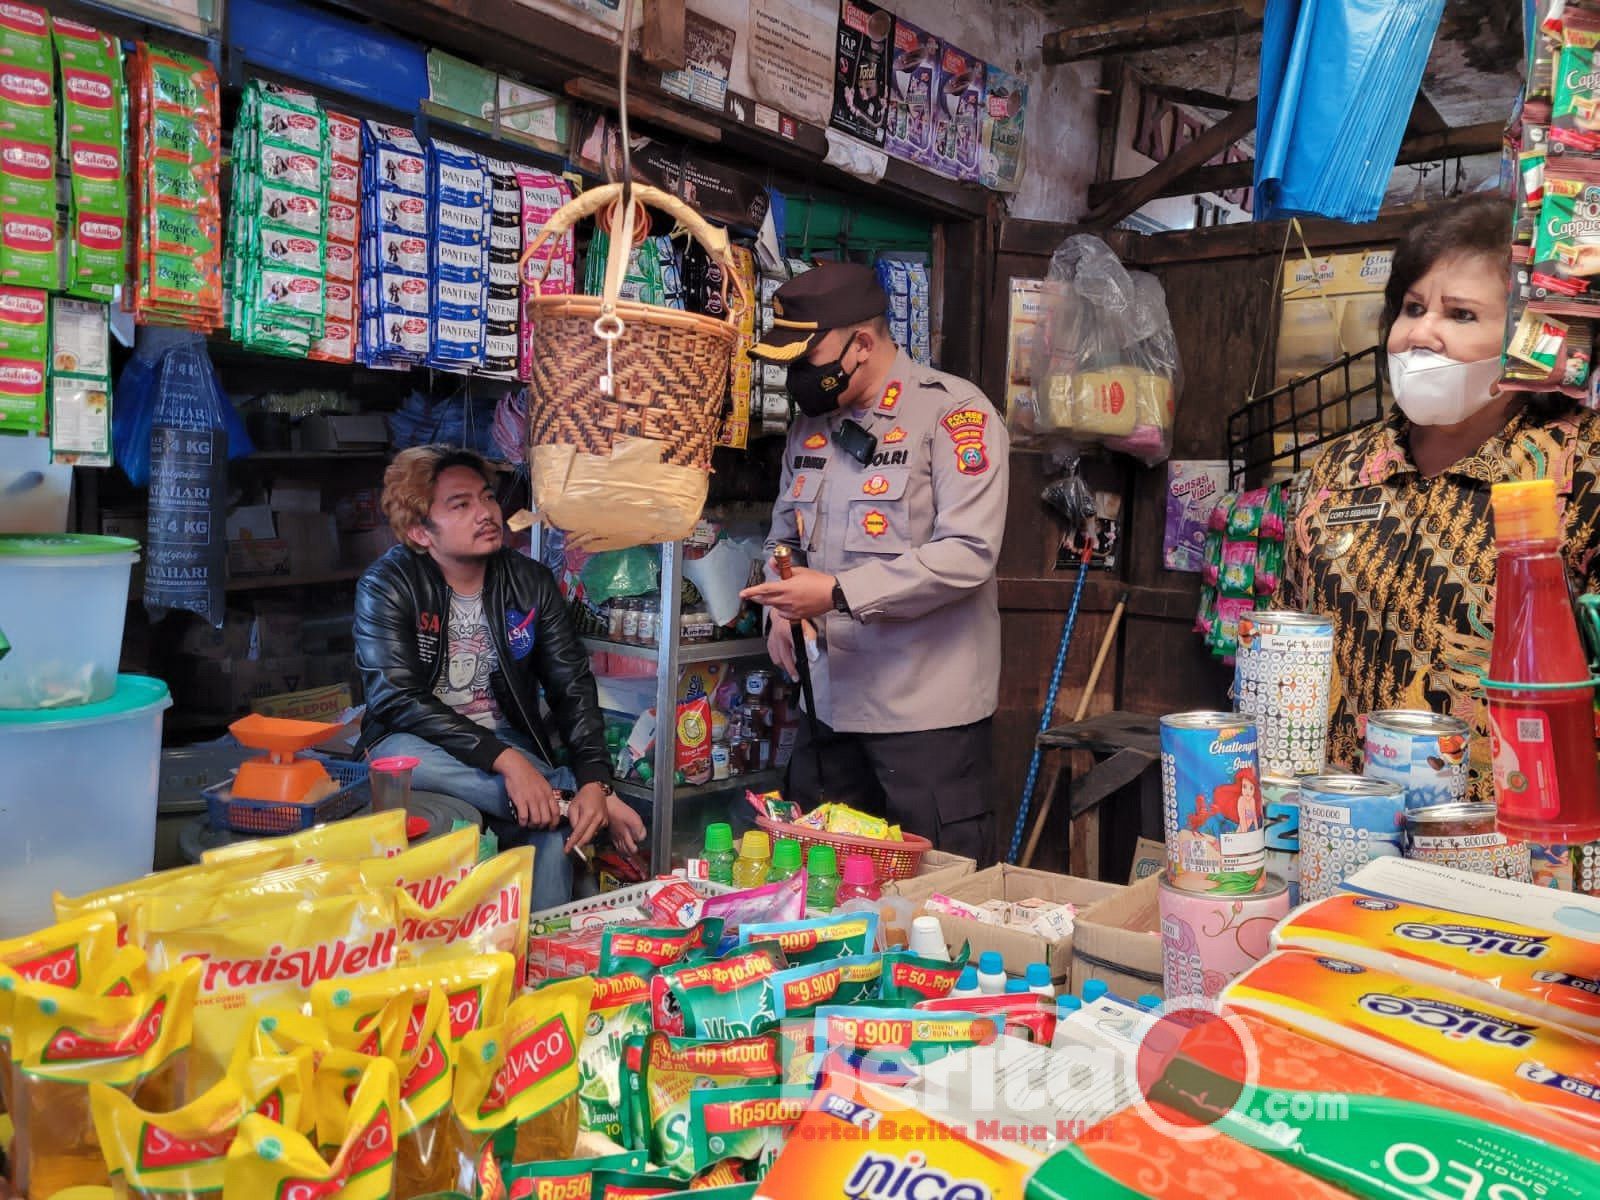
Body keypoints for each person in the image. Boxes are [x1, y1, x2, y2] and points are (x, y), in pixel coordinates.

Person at [1284, 194, 1600, 801]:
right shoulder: (1339, 469)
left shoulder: (1580, 469)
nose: (1421, 334)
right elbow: (1287, 644)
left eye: (1460, 315)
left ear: (1530, 338)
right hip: (1337, 821)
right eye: (1411, 307)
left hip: (1515, 841)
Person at [740, 262, 1009, 862]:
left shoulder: (953, 415)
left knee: (936, 897)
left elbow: (969, 553)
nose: (795, 377)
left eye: (806, 359)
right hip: (828, 708)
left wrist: (835, 592)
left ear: (862, 344)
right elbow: (783, 539)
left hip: (924, 721)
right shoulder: (810, 428)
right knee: (821, 886)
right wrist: (781, 607)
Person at [354, 445, 644, 910]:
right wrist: (510, 763)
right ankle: (562, 795)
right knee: (405, 758)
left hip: (508, 741)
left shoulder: (529, 581)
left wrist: (595, 780)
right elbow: (397, 697)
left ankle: (544, 956)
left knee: (549, 832)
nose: (486, 513)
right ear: (419, 531)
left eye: (487, 497)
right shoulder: (388, 584)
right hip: (413, 743)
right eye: (460, 504)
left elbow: (571, 685)